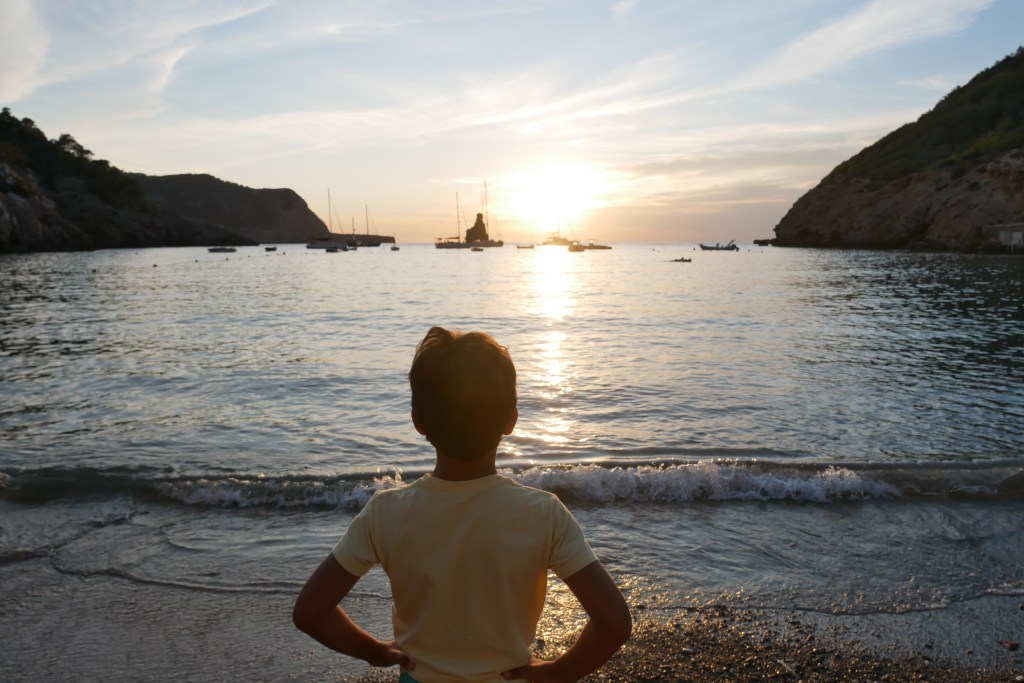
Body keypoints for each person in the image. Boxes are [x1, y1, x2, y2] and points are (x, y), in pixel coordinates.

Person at [293, 326, 631, 682]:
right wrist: (557, 673)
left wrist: (374, 651)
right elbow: (614, 622)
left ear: (417, 421)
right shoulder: (543, 514)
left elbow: (311, 612)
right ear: (511, 420)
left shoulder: (386, 512)